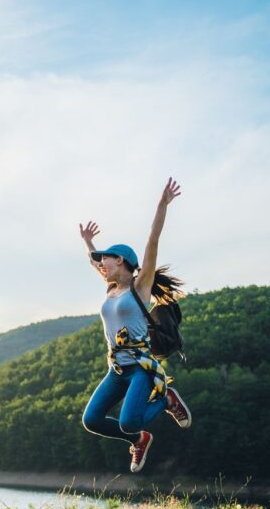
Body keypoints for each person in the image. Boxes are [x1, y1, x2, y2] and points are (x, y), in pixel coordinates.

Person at [78, 177, 193, 473]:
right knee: (91, 420)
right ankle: (140, 439)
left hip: (140, 368)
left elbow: (152, 241)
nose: (101, 264)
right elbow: (94, 264)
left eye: (105, 259)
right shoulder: (111, 289)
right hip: (116, 368)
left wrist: (161, 205)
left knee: (129, 419)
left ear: (121, 260)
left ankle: (166, 398)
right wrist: (88, 243)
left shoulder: (139, 287)